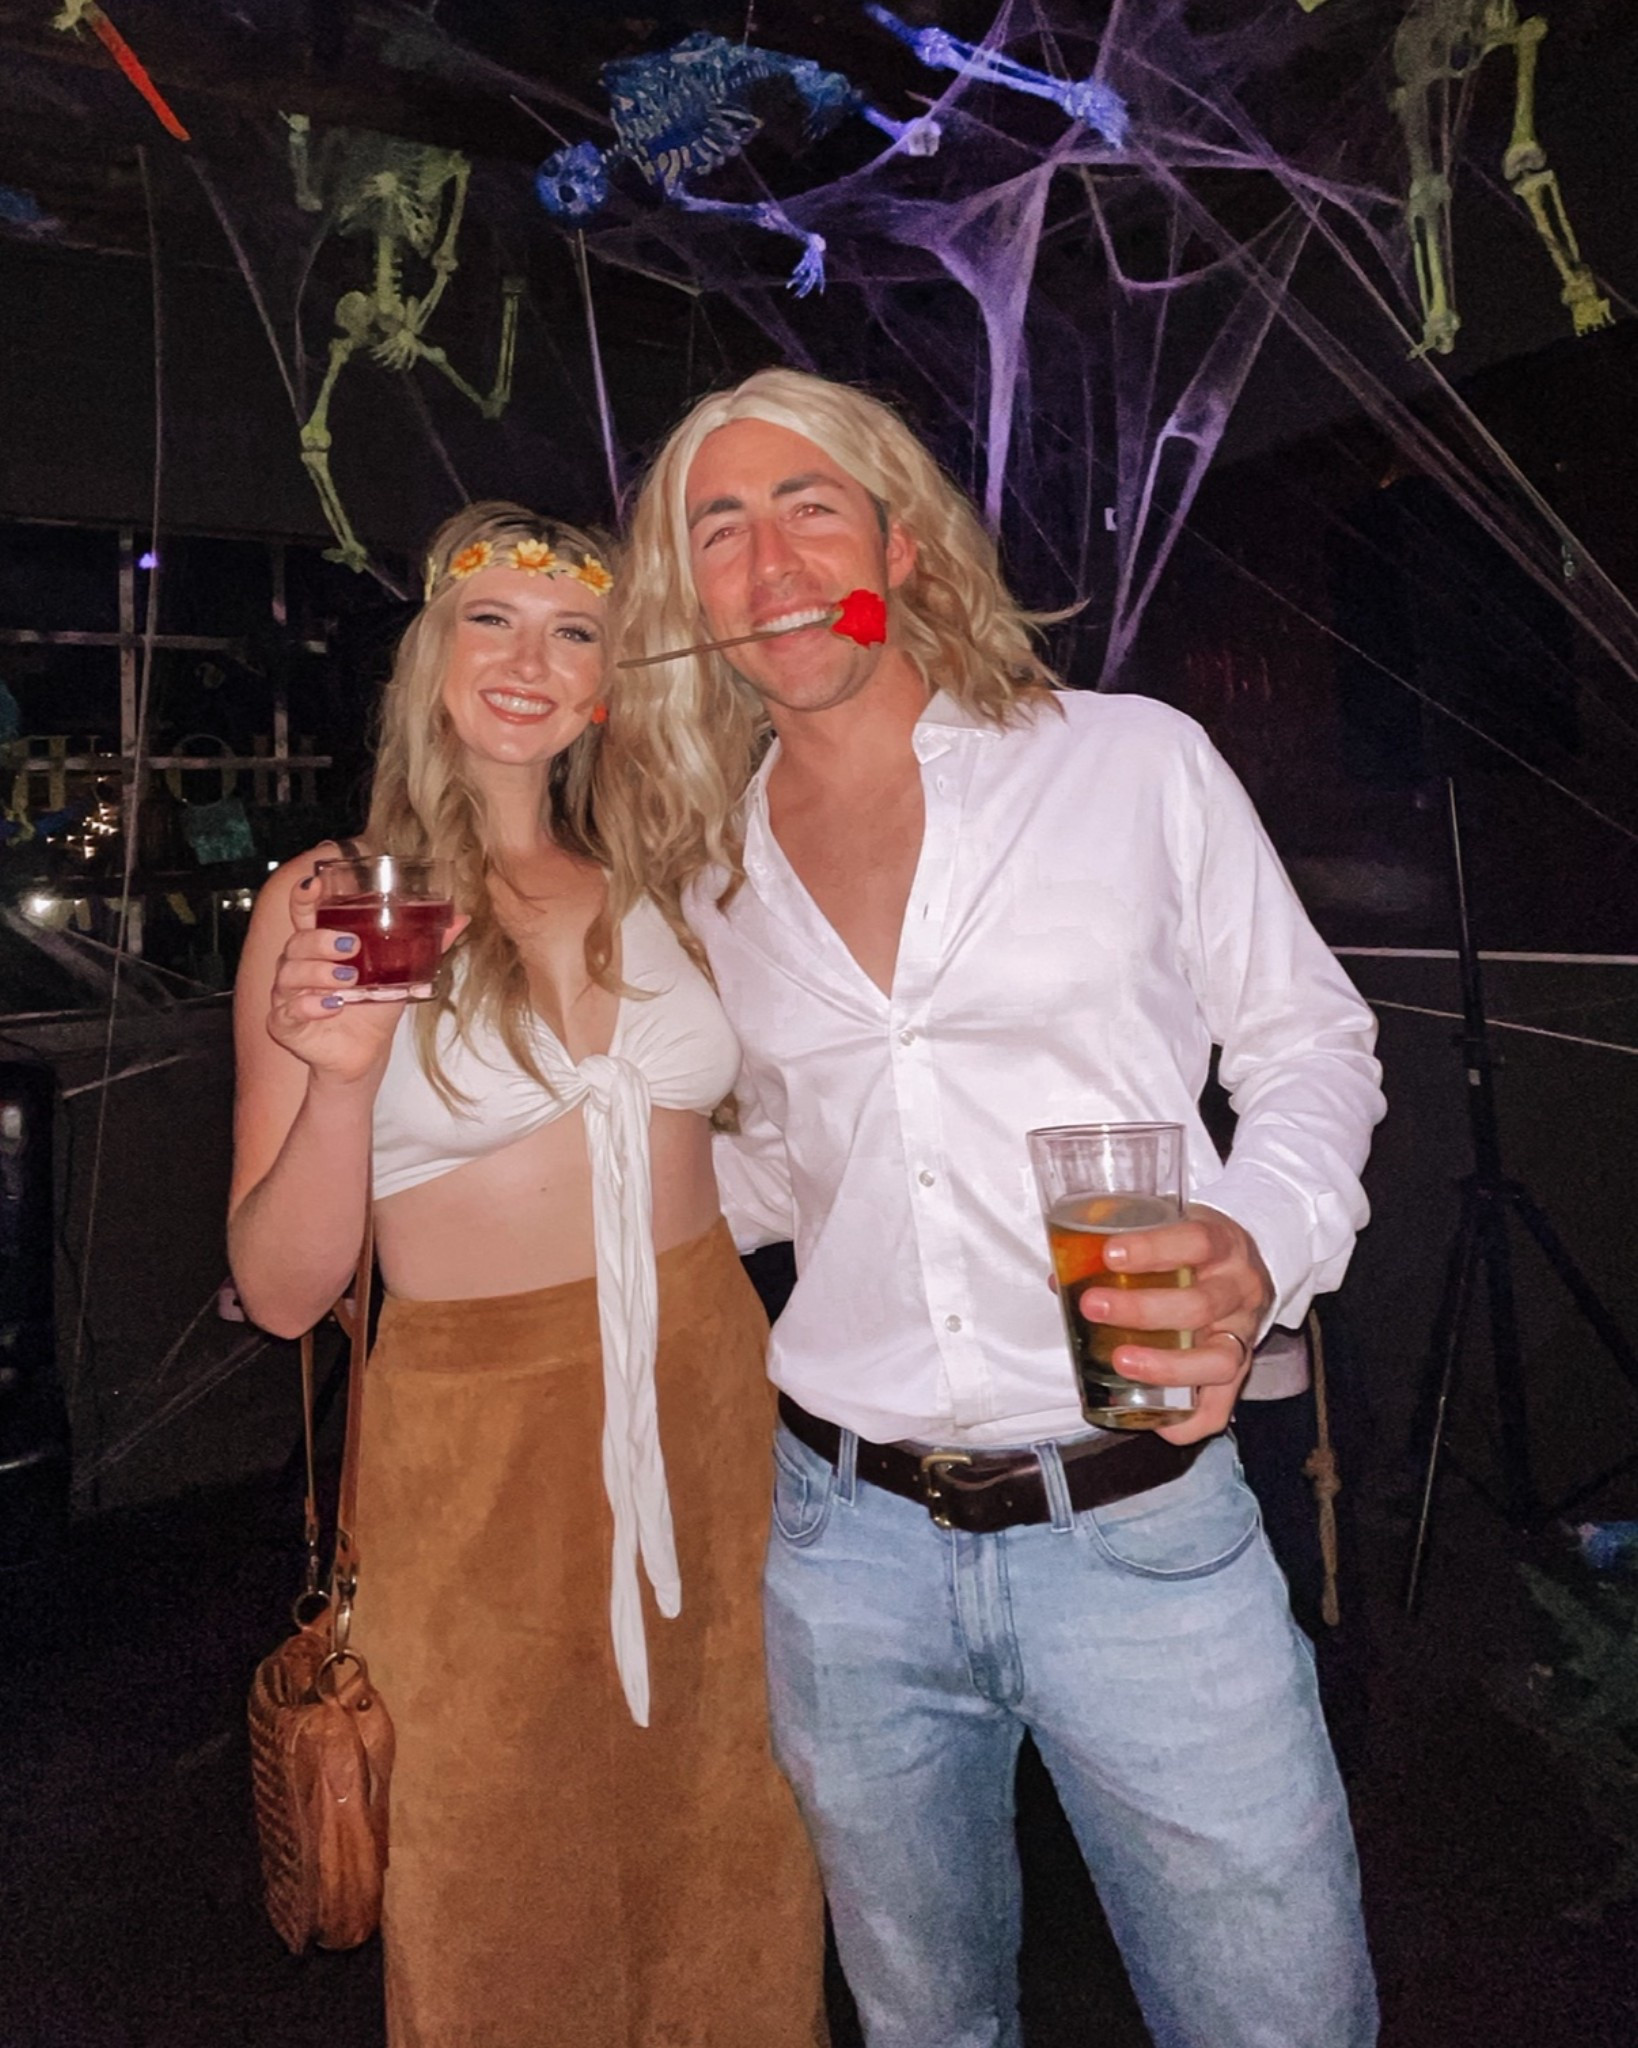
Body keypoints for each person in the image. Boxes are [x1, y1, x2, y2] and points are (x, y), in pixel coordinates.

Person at [605, 370, 1386, 2048]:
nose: (768, 560)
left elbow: (1308, 1038)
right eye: (715, 529)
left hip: (1141, 1523)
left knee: (1277, 2023)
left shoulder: (1124, 762)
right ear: (693, 607)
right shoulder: (707, 876)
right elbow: (758, 1176)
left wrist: (1262, 1234)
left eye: (808, 503)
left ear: (900, 537)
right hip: (843, 1547)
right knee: (923, 2025)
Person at [228, 503, 824, 2048]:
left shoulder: (672, 880)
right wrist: (345, 1079)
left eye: (572, 634)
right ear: (431, 655)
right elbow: (287, 1293)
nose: (528, 659)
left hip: (709, 1397)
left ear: (608, 685)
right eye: (487, 619)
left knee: (736, 1846)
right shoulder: (334, 901)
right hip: (473, 1443)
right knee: (493, 1879)